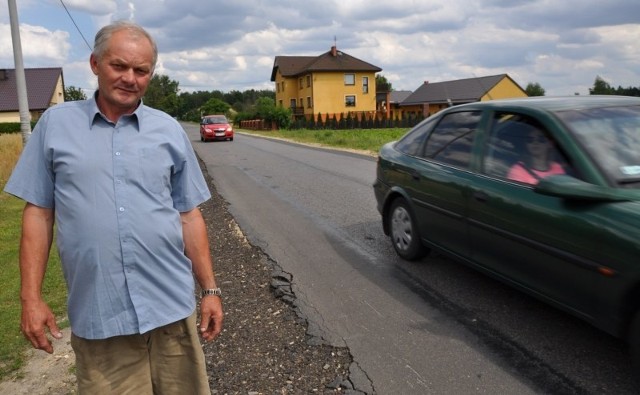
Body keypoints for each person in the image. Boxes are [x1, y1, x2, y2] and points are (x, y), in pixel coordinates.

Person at [3, 20, 223, 394]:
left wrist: (210, 290)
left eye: (141, 70)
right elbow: (38, 214)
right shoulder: (56, 125)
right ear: (94, 63)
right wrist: (32, 297)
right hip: (101, 315)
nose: (130, 78)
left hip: (170, 310)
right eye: (119, 66)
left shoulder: (168, 130)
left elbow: (188, 214)